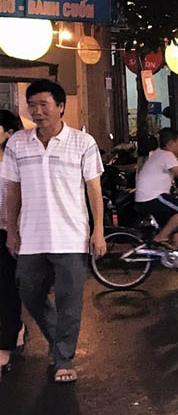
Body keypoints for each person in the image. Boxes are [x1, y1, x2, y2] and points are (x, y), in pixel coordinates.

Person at [0, 80, 105, 383]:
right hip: (31, 236)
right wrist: (11, 230)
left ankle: (63, 359)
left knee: (69, 301)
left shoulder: (83, 142)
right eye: (32, 105)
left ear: (60, 107)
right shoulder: (18, 143)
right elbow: (12, 191)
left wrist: (98, 230)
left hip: (71, 236)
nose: (37, 111)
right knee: (30, 293)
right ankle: (58, 339)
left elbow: (94, 190)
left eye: (44, 105)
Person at [0, 109, 24, 380]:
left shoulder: (16, 162)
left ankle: (7, 341)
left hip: (9, 231)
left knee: (7, 287)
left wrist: (13, 232)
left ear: (8, 133)